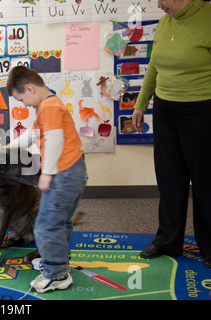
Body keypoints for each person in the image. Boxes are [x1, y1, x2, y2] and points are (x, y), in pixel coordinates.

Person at [132, 0, 211, 268]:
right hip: (165, 111)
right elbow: (154, 65)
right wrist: (141, 103)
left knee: (205, 185)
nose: (159, 4)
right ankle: (168, 240)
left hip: (202, 110)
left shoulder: (208, 19)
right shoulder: (165, 23)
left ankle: (210, 247)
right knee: (169, 181)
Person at [6, 66, 88, 293]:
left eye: (21, 99)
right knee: (59, 221)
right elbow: (32, 136)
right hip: (72, 172)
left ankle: (56, 275)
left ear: (30, 88)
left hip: (65, 174)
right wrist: (4, 149)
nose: (24, 104)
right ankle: (58, 261)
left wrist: (48, 173)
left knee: (46, 225)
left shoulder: (49, 107)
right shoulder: (49, 105)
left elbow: (54, 140)